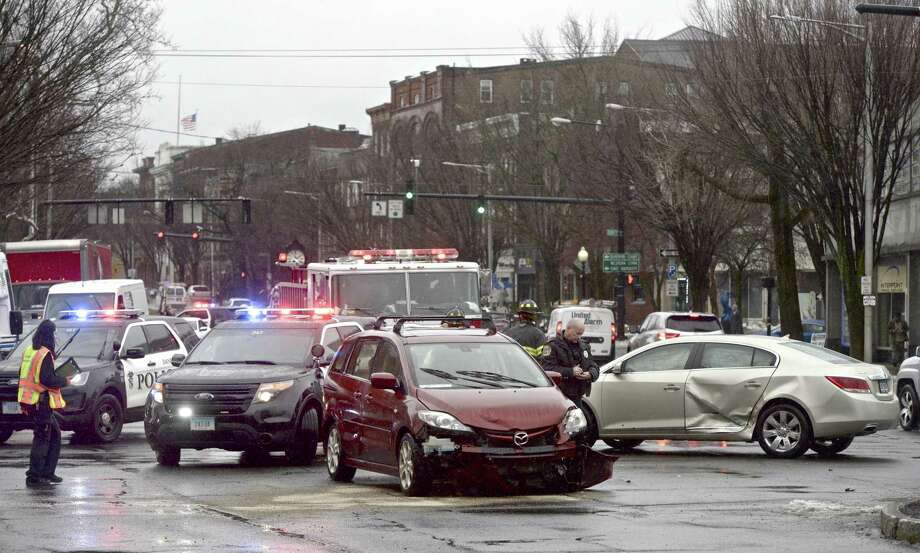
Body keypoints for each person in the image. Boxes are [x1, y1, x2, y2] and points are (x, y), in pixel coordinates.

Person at [18, 320, 69, 488]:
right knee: (42, 438)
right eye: (54, 333)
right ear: (49, 335)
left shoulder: (30, 351)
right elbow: (46, 379)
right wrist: (65, 380)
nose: (56, 336)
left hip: (31, 401)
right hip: (41, 403)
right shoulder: (44, 354)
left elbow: (25, 375)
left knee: (54, 435)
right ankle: (34, 475)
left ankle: (47, 472)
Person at [542, 319, 599, 410]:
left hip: (578, 395)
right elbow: (546, 368)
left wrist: (590, 374)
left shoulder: (584, 346)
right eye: (577, 333)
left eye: (581, 334)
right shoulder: (552, 345)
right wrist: (570, 372)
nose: (579, 337)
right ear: (568, 329)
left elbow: (593, 365)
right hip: (560, 396)